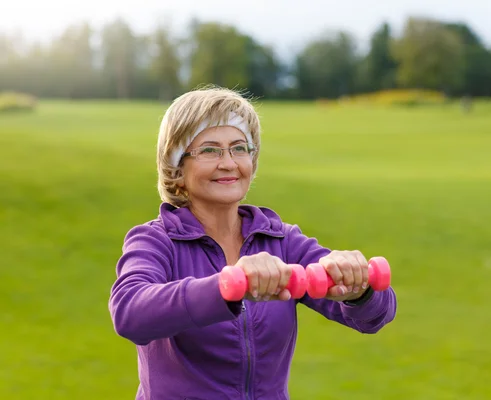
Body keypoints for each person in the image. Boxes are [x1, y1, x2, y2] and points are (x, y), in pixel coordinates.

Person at [108, 86, 397, 400]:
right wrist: (226, 286)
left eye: (239, 148)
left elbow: (376, 315)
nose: (229, 163)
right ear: (177, 168)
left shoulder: (282, 241)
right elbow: (129, 313)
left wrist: (359, 290)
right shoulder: (156, 240)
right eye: (209, 150)